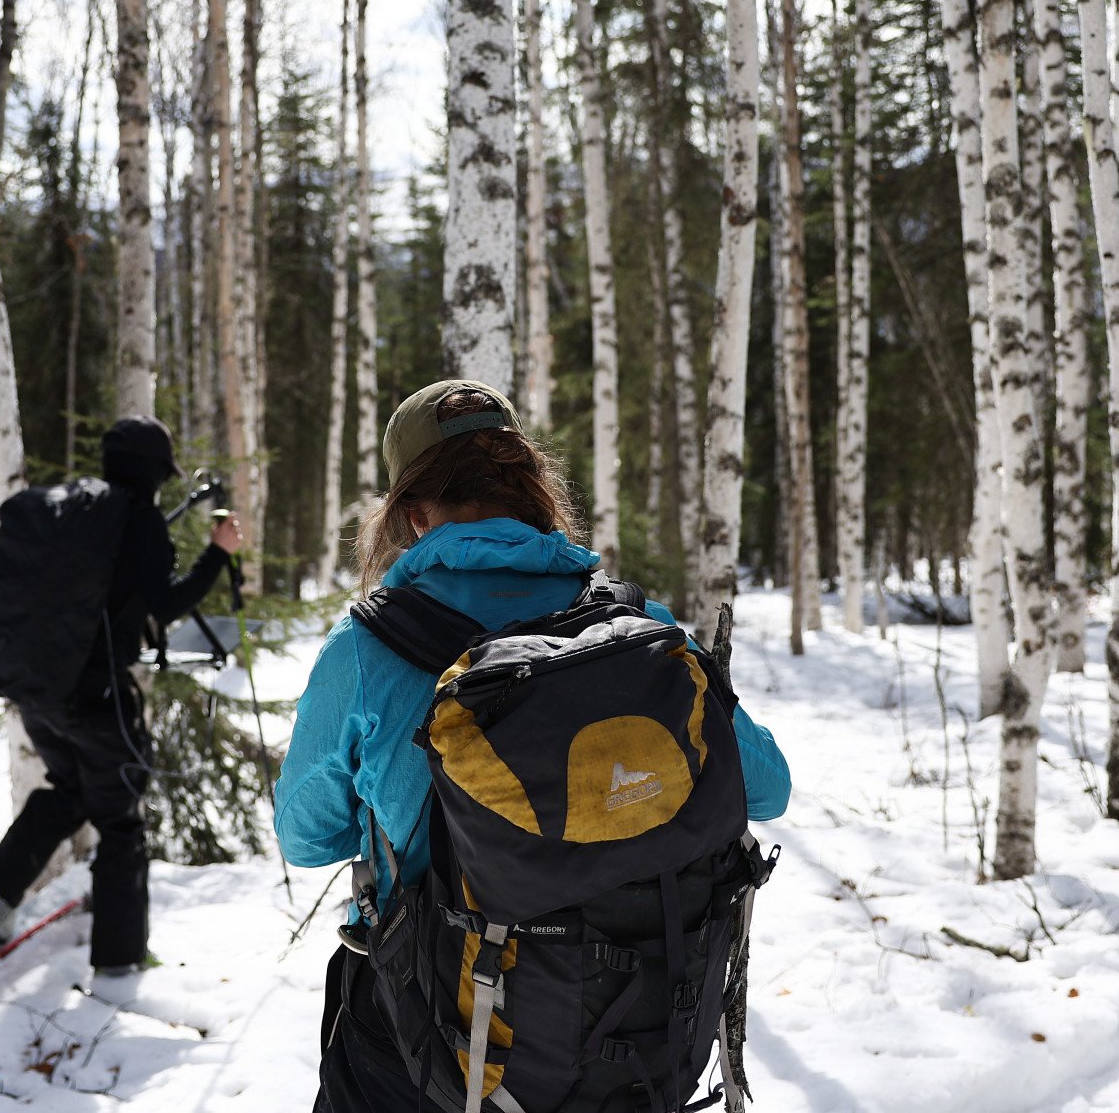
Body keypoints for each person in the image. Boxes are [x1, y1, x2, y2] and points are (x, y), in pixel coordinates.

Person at [275, 380, 792, 1113]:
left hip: (444, 1046)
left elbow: (306, 834)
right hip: (638, 1037)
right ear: (531, 492)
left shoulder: (366, 649)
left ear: (414, 514)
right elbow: (766, 786)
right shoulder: (643, 629)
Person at [0, 415, 241, 976]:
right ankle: (120, 962)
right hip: (96, 697)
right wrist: (218, 553)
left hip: (38, 693)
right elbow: (164, 607)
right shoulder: (135, 521)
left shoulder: (73, 513)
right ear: (154, 472)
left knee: (68, 789)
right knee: (120, 822)